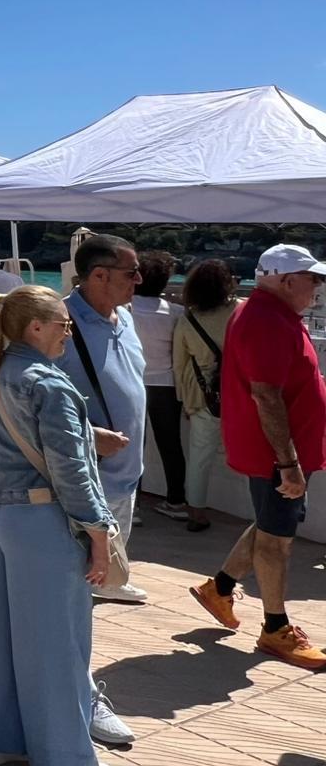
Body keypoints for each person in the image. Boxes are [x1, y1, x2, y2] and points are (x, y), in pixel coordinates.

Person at [0, 285, 116, 766]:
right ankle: (63, 754)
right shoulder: (49, 384)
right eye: (63, 325)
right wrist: (99, 533)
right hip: (38, 518)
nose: (68, 334)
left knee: (1, 637)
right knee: (57, 643)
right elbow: (70, 470)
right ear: (36, 327)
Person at [190, 244, 326, 670]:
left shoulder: (269, 313)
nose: (318, 288)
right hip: (277, 454)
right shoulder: (266, 319)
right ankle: (275, 628)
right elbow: (266, 395)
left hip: (281, 450)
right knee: (276, 541)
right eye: (313, 279)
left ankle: (220, 588)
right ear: (287, 280)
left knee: (271, 522)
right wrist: (288, 463)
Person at [52, 235, 144, 747]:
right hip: (83, 487)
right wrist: (89, 436)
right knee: (74, 601)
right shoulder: (58, 322)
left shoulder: (124, 319)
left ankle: (73, 692)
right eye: (131, 272)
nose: (139, 281)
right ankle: (81, 700)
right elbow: (25, 397)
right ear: (98, 275)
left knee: (88, 596)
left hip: (122, 482)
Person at [172, 258, 241, 532]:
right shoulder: (241, 310)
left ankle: (196, 513)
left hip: (205, 395)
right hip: (242, 392)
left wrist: (185, 402)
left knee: (200, 458)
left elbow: (179, 365)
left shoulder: (188, 319)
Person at [132, 251, 188, 521]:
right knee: (171, 444)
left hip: (133, 381)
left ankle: (133, 505)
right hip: (167, 383)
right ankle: (176, 500)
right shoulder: (176, 313)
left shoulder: (124, 309)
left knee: (133, 446)